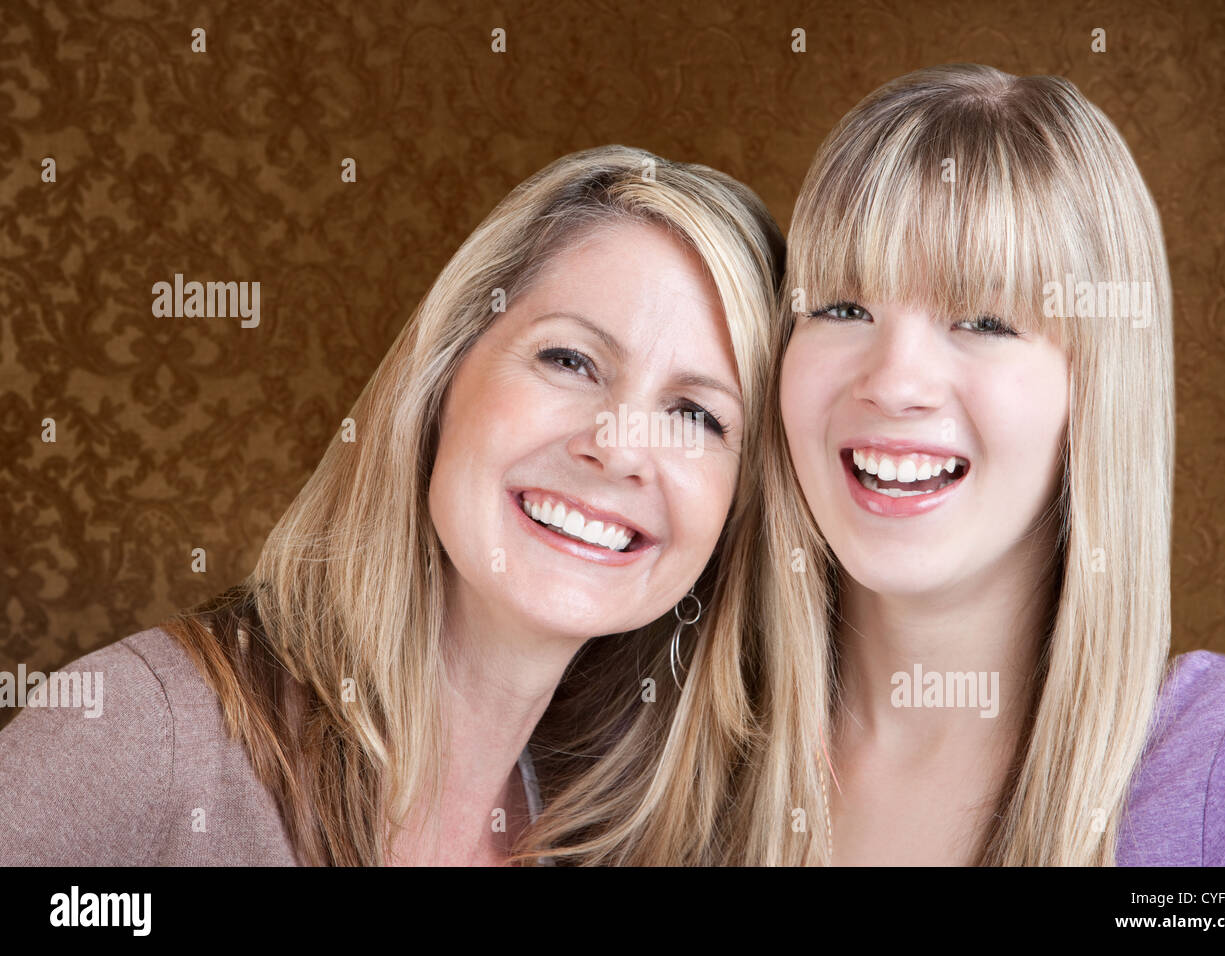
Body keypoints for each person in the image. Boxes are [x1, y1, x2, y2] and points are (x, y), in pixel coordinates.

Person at [0, 144, 797, 866]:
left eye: (697, 414)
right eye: (571, 359)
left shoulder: (597, 841)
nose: (617, 445)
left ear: (736, 513)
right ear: (443, 378)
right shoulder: (146, 733)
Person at [763, 64, 1225, 865]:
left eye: (983, 319)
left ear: (1095, 390)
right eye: (843, 308)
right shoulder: (668, 760)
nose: (893, 383)